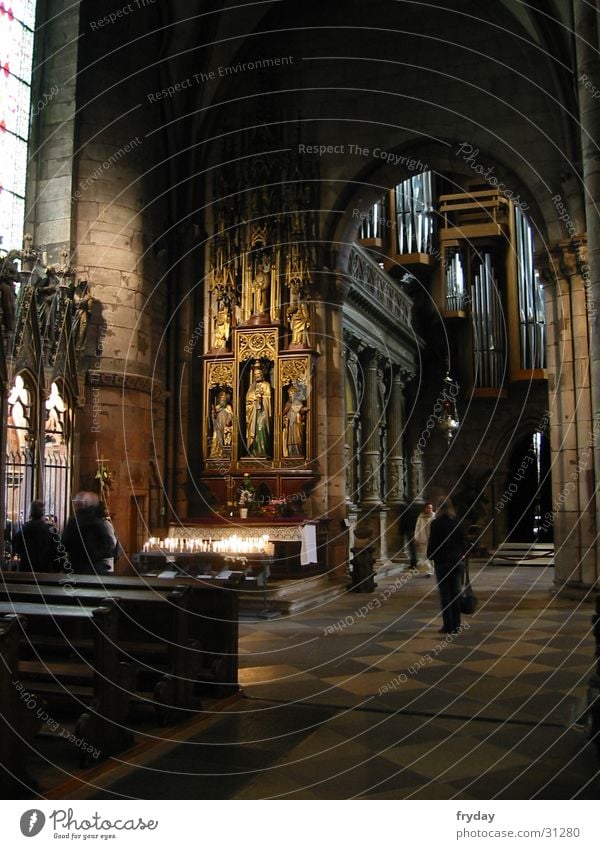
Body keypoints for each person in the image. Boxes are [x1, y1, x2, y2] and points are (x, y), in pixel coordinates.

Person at [427, 496, 466, 634]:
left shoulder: (436, 524)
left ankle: (448, 625)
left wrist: (430, 556)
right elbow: (463, 542)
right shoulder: (457, 522)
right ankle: (457, 625)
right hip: (456, 562)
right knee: (456, 593)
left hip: (442, 562)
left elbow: (433, 543)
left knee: (445, 595)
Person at [62, 491, 119, 574]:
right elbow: (109, 545)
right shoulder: (98, 522)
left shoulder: (73, 521)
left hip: (75, 568)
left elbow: (64, 543)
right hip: (95, 568)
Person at [12, 500, 61, 572]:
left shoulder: (23, 529)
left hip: (26, 569)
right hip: (45, 569)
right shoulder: (50, 530)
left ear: (30, 512)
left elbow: (16, 547)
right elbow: (57, 551)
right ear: (43, 513)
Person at [245, 361, 272, 457]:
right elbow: (247, 399)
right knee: (254, 431)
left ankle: (263, 450)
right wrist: (254, 398)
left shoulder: (266, 385)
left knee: (262, 429)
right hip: (253, 413)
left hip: (263, 412)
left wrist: (261, 399)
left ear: (262, 374)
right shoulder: (251, 386)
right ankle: (254, 451)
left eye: (259, 374)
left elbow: (269, 400)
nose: (257, 376)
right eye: (255, 374)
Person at [282, 385, 308, 457]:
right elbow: (283, 413)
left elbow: (301, 411)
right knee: (290, 439)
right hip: (290, 424)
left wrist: (303, 410)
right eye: (290, 394)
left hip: (297, 422)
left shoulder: (298, 402)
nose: (291, 396)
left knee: (298, 437)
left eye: (292, 394)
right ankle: (291, 453)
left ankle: (299, 453)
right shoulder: (288, 403)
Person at [209, 389, 234, 458]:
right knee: (217, 437)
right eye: (221, 398)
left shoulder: (228, 407)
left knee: (226, 439)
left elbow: (232, 416)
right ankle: (216, 453)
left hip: (226, 426)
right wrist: (213, 413)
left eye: (224, 398)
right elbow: (214, 417)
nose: (223, 399)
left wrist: (229, 420)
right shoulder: (217, 407)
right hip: (218, 425)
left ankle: (226, 453)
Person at [414, 502, 435, 577]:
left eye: (431, 508)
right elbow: (417, 527)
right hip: (423, 538)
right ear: (425, 508)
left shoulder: (434, 516)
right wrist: (416, 537)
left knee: (432, 555)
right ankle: (428, 571)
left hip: (432, 539)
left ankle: (432, 569)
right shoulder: (421, 517)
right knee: (425, 555)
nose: (430, 509)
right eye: (428, 508)